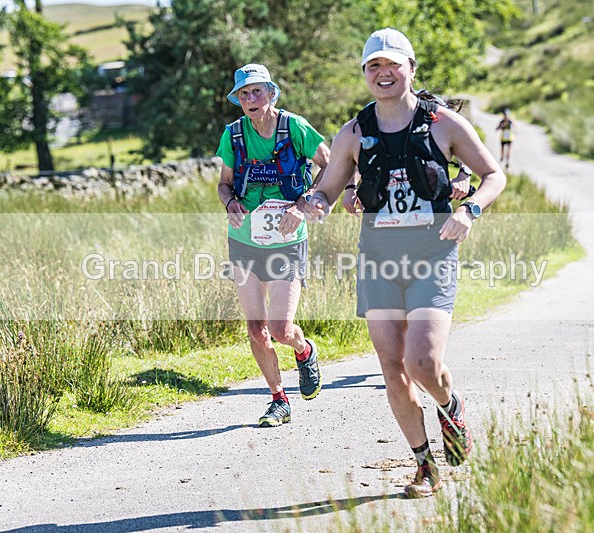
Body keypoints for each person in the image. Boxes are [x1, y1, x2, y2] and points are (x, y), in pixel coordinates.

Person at [305, 29, 506, 498]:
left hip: (432, 255)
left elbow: (493, 175)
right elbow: (329, 189)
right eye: (373, 66)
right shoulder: (353, 133)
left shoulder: (444, 123)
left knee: (422, 362)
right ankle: (424, 465)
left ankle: (449, 404)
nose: (383, 73)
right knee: (392, 367)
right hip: (378, 260)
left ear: (410, 69)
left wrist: (469, 209)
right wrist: (314, 202)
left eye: (392, 64)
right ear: (365, 75)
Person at [216, 64, 330, 427]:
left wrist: (304, 203)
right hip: (244, 240)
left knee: (281, 329)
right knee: (255, 328)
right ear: (238, 100)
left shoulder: (294, 127)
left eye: (257, 92)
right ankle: (278, 400)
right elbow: (224, 184)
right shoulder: (233, 135)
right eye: (244, 94)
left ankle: (304, 350)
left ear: (271, 93)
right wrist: (230, 203)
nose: (251, 99)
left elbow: (330, 165)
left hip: (286, 241)